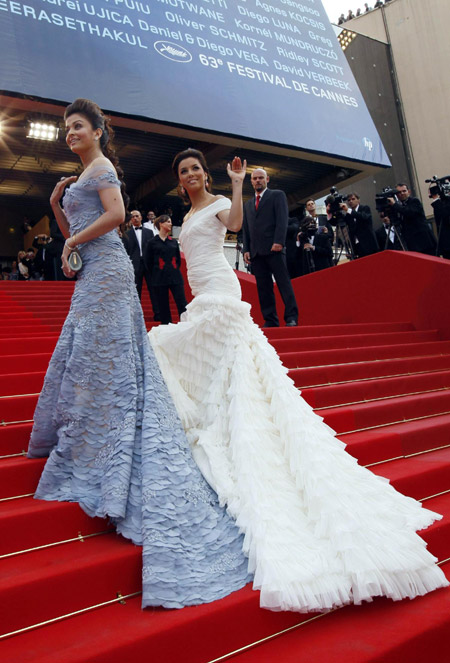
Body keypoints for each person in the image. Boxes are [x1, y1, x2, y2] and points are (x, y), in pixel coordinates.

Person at [149, 147, 448, 614]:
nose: (189, 175)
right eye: (183, 171)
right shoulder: (182, 215)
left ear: (204, 174)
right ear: (179, 179)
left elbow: (233, 225)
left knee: (190, 354)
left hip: (222, 295)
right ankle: (225, 423)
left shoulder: (218, 204)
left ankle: (237, 433)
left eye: (194, 169)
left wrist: (236, 182)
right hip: (202, 293)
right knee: (218, 368)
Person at [27, 99, 251, 610]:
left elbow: (112, 217)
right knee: (85, 359)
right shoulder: (80, 176)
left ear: (99, 131)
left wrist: (73, 237)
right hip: (91, 277)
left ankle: (109, 437)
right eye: (66, 129)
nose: (70, 134)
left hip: (108, 277)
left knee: (105, 363)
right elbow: (73, 238)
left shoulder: (103, 168)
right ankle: (93, 432)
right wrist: (60, 208)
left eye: (78, 126)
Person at [243, 168, 298, 327]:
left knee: (283, 283)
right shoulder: (247, 204)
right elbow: (246, 228)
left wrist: (279, 241)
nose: (258, 180)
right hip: (256, 252)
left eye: (261, 177)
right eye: (255, 178)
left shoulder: (277, 195)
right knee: (263, 288)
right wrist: (246, 249)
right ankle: (270, 320)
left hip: (275, 249)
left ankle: (291, 317)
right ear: (252, 181)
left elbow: (282, 219)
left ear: (267, 180)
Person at [145, 214, 187, 324]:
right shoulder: (152, 243)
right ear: (161, 224)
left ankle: (186, 325)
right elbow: (148, 262)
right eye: (168, 222)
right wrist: (157, 272)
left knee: (182, 303)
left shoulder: (173, 242)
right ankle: (167, 328)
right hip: (159, 279)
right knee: (163, 305)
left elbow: (177, 260)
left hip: (175, 277)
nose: (171, 224)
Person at [387, 184, 437, 255]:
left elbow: (409, 212)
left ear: (409, 192)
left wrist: (395, 204)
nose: (402, 193)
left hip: (424, 243)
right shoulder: (399, 206)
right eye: (399, 192)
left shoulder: (414, 201)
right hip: (412, 244)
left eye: (404, 191)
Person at [345, 192, 379, 258]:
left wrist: (348, 210)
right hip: (357, 246)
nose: (351, 201)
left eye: (353, 199)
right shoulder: (348, 215)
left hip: (369, 244)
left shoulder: (365, 208)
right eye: (349, 200)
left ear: (358, 200)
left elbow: (363, 217)